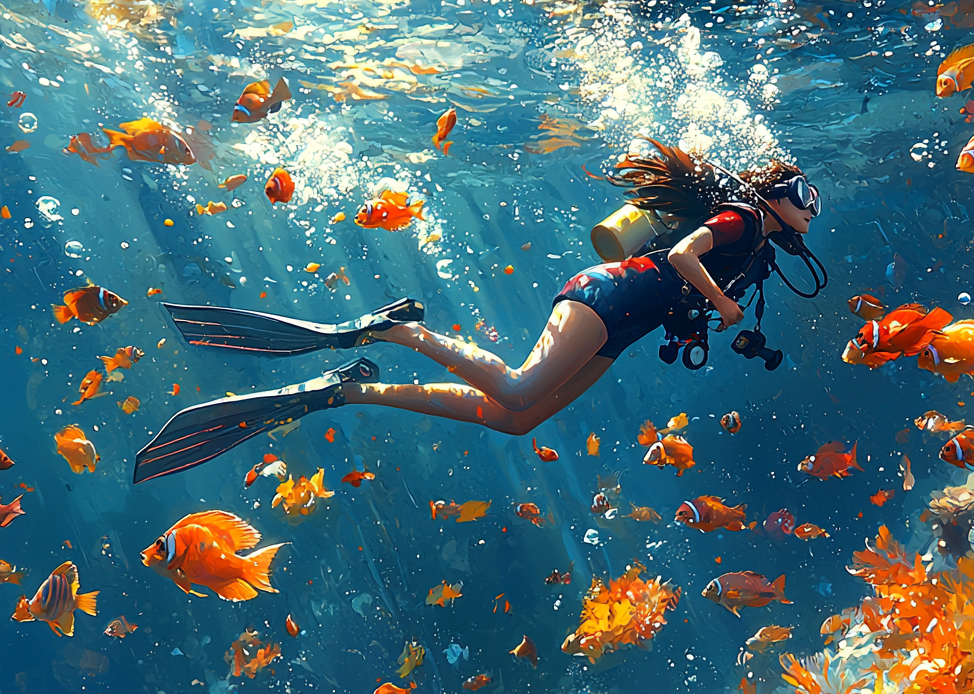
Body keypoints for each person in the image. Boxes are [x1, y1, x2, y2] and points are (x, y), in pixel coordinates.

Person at [133, 139, 825, 483]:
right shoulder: (738, 219)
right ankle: (400, 330)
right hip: (609, 294)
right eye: (803, 193)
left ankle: (349, 390)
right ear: (775, 191)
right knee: (520, 385)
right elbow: (681, 258)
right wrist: (724, 303)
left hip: (628, 327)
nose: (810, 207)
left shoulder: (761, 245)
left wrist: (727, 303)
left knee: (516, 419)